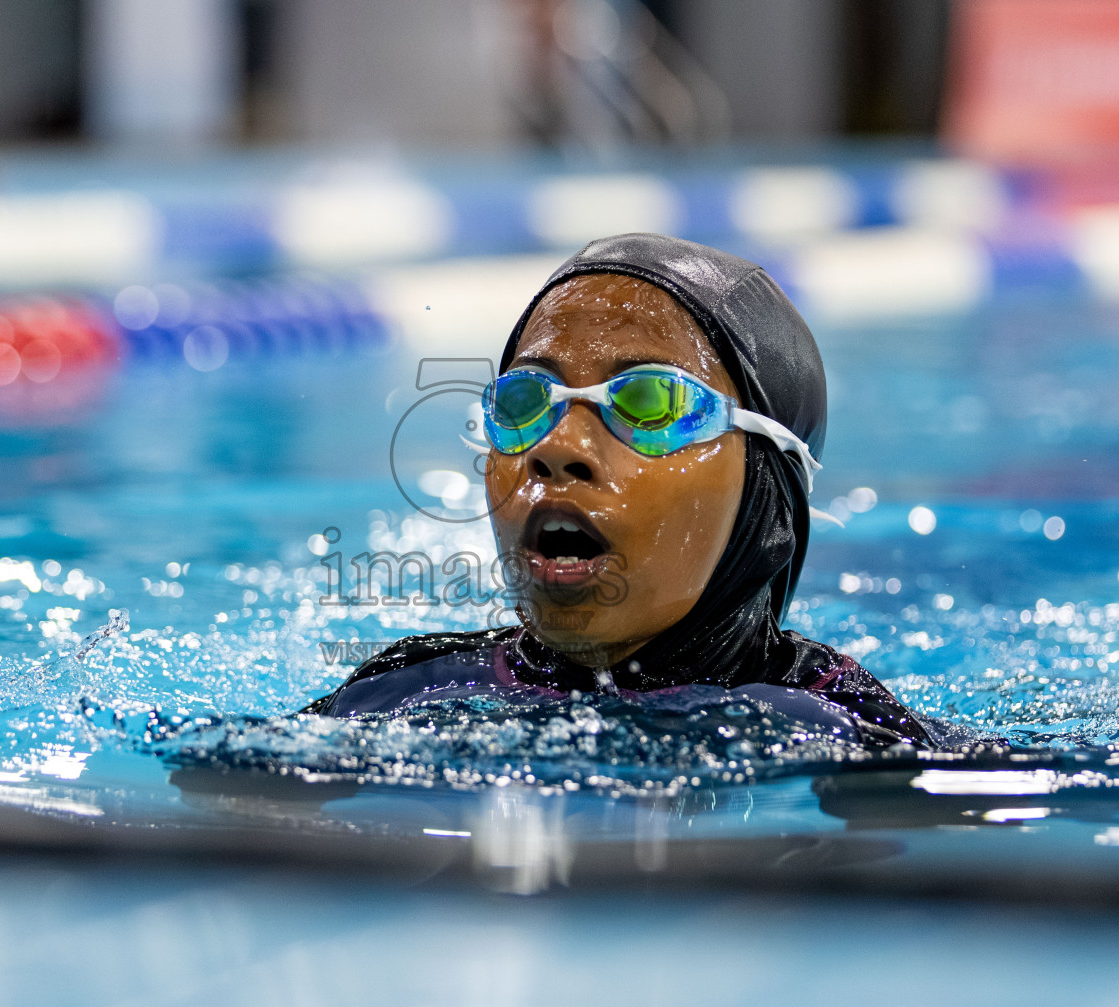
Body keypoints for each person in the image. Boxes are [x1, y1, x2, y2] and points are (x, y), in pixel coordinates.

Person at [302, 233, 931, 749]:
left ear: (768, 489)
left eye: (649, 402)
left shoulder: (852, 732)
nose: (557, 448)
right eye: (526, 403)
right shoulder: (408, 696)